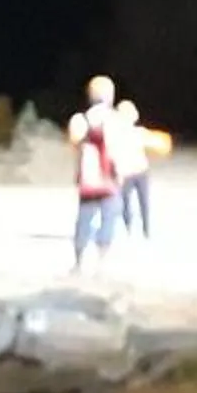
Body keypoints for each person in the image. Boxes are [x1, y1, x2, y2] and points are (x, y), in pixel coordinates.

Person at [66, 96, 120, 271]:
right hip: (106, 180)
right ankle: (101, 261)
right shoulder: (113, 119)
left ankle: (78, 262)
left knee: (83, 219)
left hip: (88, 179)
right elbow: (116, 152)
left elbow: (74, 143)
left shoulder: (79, 119)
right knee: (108, 219)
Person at [110, 100, 154, 237]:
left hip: (140, 170)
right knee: (125, 202)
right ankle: (129, 226)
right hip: (126, 172)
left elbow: (152, 144)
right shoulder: (116, 134)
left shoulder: (140, 131)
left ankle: (146, 229)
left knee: (144, 202)